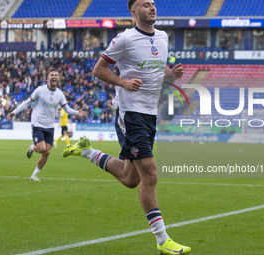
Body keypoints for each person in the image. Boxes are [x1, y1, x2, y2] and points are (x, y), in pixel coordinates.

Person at [62, 0, 191, 254]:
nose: (152, 8)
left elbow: (156, 69)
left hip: (149, 115)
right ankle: (162, 239)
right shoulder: (125, 39)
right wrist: (122, 82)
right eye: (146, 5)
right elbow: (99, 69)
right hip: (130, 114)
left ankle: (86, 151)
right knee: (150, 174)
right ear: (134, 12)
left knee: (129, 178)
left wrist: (171, 73)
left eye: (154, 4)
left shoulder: (163, 37)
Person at [7, 68, 86, 182]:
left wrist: (77, 113)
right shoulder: (40, 90)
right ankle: (33, 147)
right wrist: (15, 112)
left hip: (49, 126)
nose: (54, 77)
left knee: (47, 152)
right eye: (52, 75)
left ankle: (34, 175)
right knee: (41, 148)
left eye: (56, 75)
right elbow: (27, 102)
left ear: (58, 78)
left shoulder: (59, 94)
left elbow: (67, 109)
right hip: (38, 123)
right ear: (48, 78)